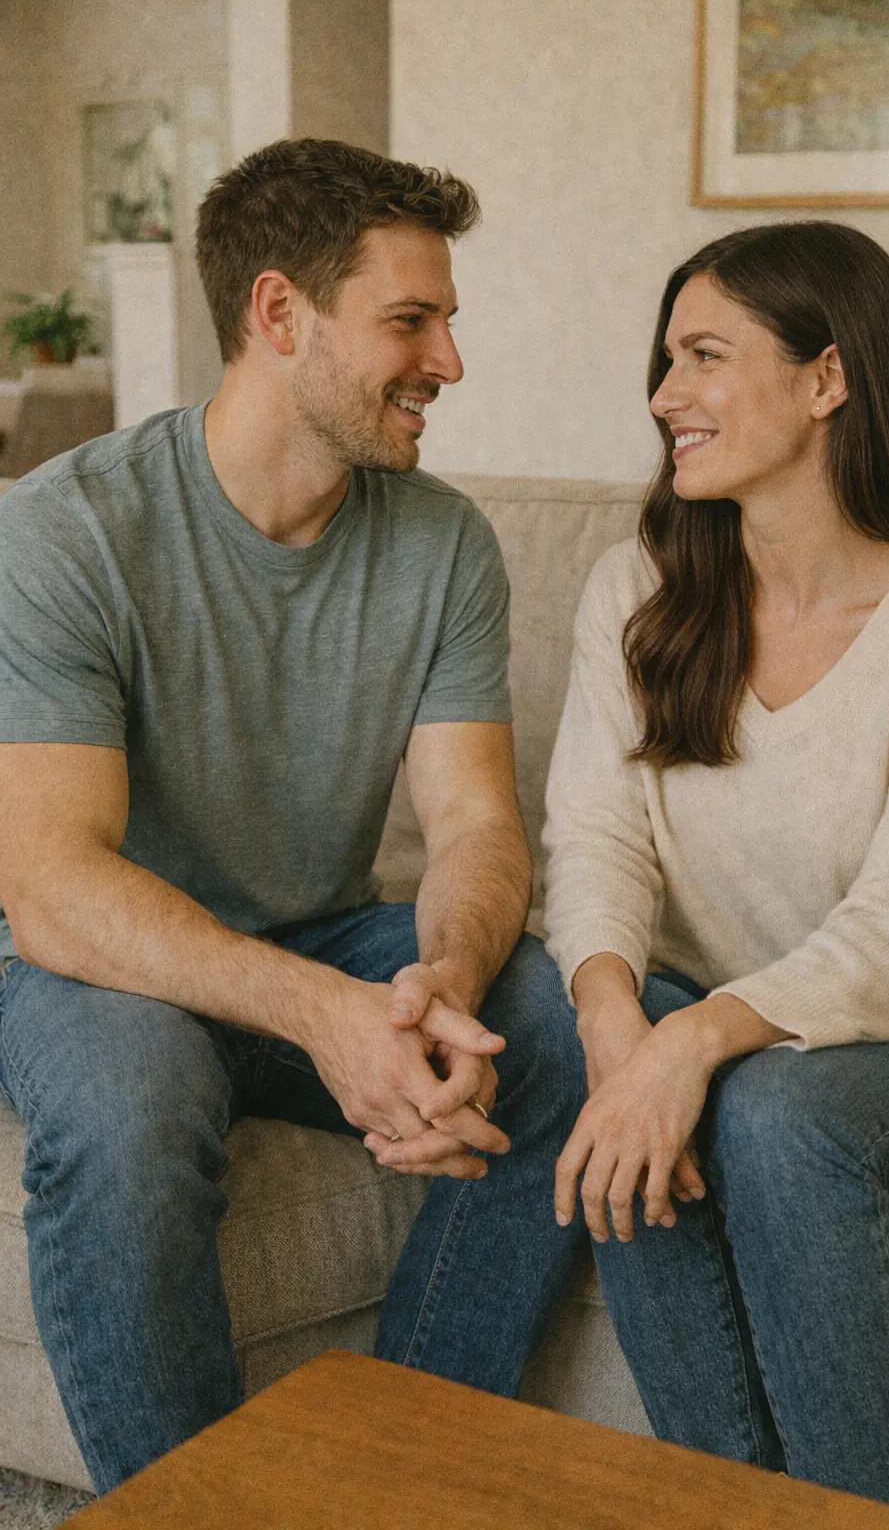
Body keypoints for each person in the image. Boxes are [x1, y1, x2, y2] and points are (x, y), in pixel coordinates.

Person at [0, 138, 585, 1494]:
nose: (449, 360)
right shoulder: (67, 530)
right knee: (131, 1104)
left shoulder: (442, 543)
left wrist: (444, 975)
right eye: (409, 320)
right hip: (98, 963)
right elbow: (51, 885)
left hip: (321, 931)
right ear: (279, 315)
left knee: (552, 1020)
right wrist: (328, 1019)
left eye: (448, 320)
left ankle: (391, 1480)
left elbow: (480, 830)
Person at [542, 220, 889, 1509]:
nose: (663, 396)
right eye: (664, 359)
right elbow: (594, 841)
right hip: (713, 1026)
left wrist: (686, 1045)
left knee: (773, 1112)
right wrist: (611, 1028)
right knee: (605, 1056)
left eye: (705, 355)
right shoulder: (636, 588)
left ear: (830, 378)